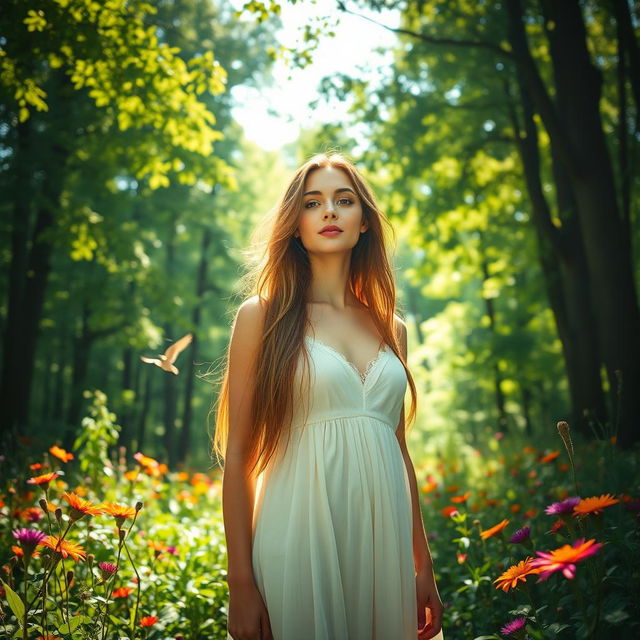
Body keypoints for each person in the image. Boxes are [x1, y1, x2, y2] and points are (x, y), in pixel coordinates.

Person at [213, 152, 444, 640]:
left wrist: (422, 565)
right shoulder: (263, 317)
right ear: (295, 225)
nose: (330, 212)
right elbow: (238, 456)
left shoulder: (392, 329)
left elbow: (400, 453)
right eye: (313, 203)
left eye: (344, 200)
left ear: (364, 222)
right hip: (298, 532)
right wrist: (240, 584)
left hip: (383, 544)